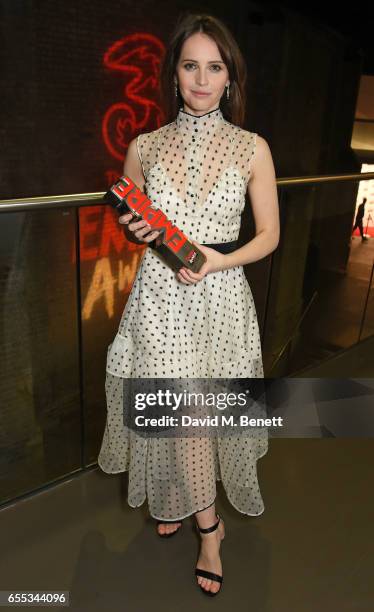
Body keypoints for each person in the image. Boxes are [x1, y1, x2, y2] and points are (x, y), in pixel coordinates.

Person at [98, 13, 280, 597]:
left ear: (230, 77)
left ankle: (187, 504)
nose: (202, 79)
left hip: (222, 296)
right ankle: (210, 526)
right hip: (159, 297)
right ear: (173, 75)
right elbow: (133, 223)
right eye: (190, 65)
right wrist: (134, 227)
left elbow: (269, 235)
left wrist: (215, 262)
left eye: (215, 66)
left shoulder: (253, 148)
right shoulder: (143, 146)